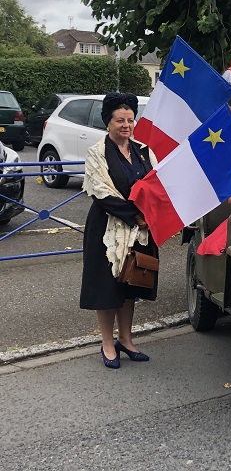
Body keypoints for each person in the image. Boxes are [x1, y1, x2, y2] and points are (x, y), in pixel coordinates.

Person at [80, 93, 158, 369]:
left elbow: (156, 186)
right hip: (107, 227)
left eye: (130, 119)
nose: (126, 125)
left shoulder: (143, 150)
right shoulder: (96, 152)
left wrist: (149, 216)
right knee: (107, 287)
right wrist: (135, 215)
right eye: (119, 120)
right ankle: (107, 343)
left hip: (140, 228)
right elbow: (101, 192)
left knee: (130, 283)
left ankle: (126, 339)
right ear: (108, 122)